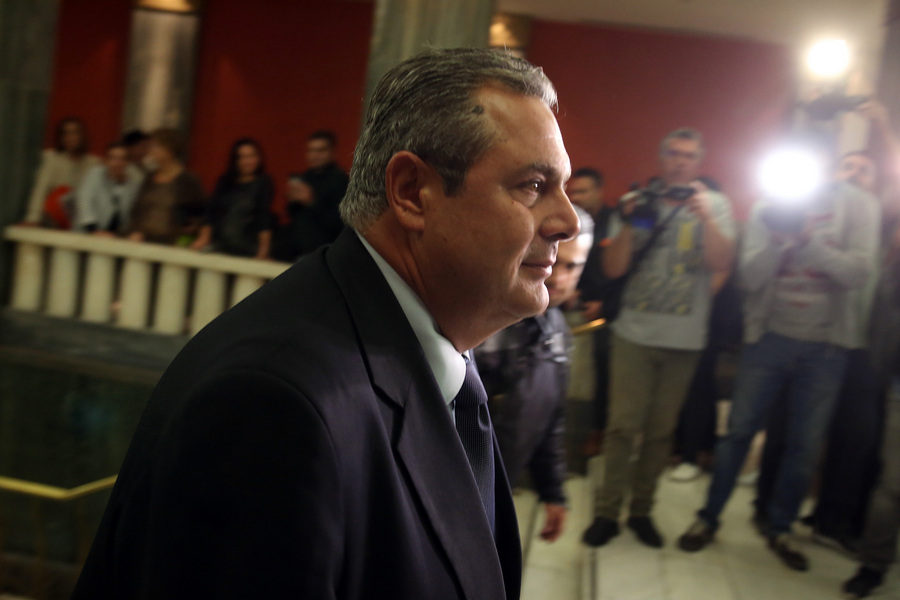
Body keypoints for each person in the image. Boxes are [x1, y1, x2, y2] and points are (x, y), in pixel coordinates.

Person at [71, 48, 579, 599]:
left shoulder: (435, 341)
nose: (567, 221)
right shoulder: (269, 405)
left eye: (564, 188)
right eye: (533, 185)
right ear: (412, 193)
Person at [678, 142, 881, 571]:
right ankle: (708, 517)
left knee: (804, 446)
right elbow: (750, 279)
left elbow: (859, 273)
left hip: (827, 347)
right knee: (738, 435)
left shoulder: (858, 205)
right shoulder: (767, 207)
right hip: (768, 339)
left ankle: (782, 527)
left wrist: (807, 241)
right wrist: (777, 240)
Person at [582, 128, 736, 549]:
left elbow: (722, 261)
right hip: (634, 333)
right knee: (621, 427)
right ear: (662, 157)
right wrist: (630, 223)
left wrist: (706, 217)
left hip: (685, 339)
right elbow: (614, 269)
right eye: (673, 153)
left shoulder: (717, 204)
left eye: (689, 155)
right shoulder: (639, 202)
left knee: (660, 433)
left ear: (699, 161)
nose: (680, 161)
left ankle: (641, 511)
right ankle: (607, 513)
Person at [476, 206, 594, 544]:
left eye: (572, 266)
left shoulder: (557, 334)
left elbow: (549, 418)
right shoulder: (477, 322)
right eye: (553, 259)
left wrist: (552, 491)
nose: (559, 277)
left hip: (494, 497)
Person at [566, 168, 614, 456]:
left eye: (583, 191)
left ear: (599, 192)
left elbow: (623, 272)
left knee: (604, 370)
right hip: (574, 304)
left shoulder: (614, 221)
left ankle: (597, 432)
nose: (576, 197)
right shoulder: (570, 220)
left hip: (609, 311)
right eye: (573, 192)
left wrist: (604, 303)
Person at [191, 138, 274, 259]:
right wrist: (203, 238)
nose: (248, 161)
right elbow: (210, 212)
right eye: (242, 157)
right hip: (218, 245)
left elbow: (263, 218)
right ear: (235, 160)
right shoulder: (225, 181)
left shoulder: (263, 183)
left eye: (251, 156)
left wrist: (263, 251)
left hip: (245, 247)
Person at [126, 128, 206, 245]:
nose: (151, 151)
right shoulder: (150, 177)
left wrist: (187, 232)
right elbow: (137, 210)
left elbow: (200, 213)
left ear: (169, 149)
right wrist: (135, 230)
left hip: (171, 243)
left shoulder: (187, 180)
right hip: (143, 240)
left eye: (156, 146)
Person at [281, 130, 349, 259]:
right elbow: (294, 216)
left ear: (332, 152)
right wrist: (292, 200)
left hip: (322, 253)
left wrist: (312, 201)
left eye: (320, 150)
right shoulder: (305, 177)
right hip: (296, 250)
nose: (314, 155)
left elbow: (340, 222)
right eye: (310, 150)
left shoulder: (340, 180)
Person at [22, 117, 100, 227]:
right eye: (66, 134)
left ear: (82, 136)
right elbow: (40, 189)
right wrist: (33, 218)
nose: (70, 138)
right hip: (52, 218)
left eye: (74, 133)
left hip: (79, 221)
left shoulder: (93, 164)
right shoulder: (52, 159)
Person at [73, 142, 144, 235]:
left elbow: (132, 215)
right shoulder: (95, 174)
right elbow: (84, 201)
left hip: (117, 236)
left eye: (122, 159)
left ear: (128, 162)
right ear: (105, 160)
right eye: (113, 158)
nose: (118, 163)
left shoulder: (133, 184)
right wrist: (93, 230)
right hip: (87, 232)